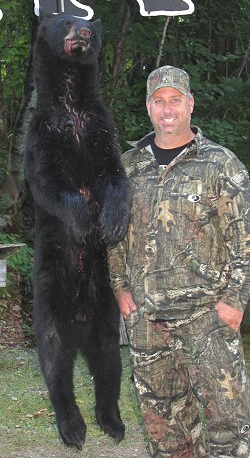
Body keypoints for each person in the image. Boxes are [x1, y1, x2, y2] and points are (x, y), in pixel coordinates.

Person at [108, 65, 250, 458]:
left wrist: (235, 301)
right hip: (147, 321)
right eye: (159, 101)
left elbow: (246, 239)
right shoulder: (128, 165)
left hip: (206, 317)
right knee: (165, 427)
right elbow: (115, 233)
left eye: (175, 100)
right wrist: (120, 288)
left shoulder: (221, 164)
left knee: (227, 422)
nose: (167, 109)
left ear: (190, 105)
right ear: (149, 108)